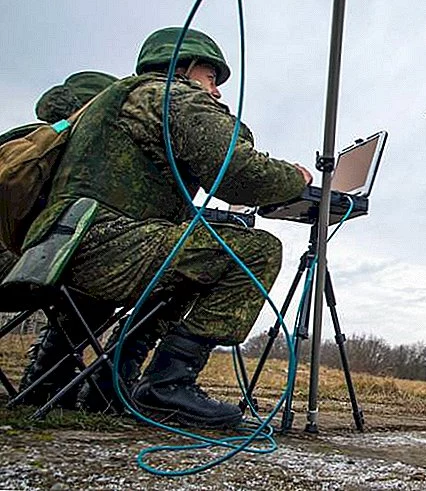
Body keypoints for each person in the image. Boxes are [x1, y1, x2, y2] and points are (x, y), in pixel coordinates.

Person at [19, 26, 312, 428]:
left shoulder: (106, 105)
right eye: (211, 78)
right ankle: (168, 384)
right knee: (256, 249)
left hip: (54, 250)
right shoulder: (168, 95)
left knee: (183, 263)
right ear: (185, 67)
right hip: (102, 249)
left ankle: (67, 379)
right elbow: (236, 170)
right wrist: (297, 178)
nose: (216, 91)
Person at [0, 71, 119, 408]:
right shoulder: (64, 154)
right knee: (97, 272)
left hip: (21, 263)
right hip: (17, 266)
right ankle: (49, 378)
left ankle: (48, 378)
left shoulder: (21, 140)